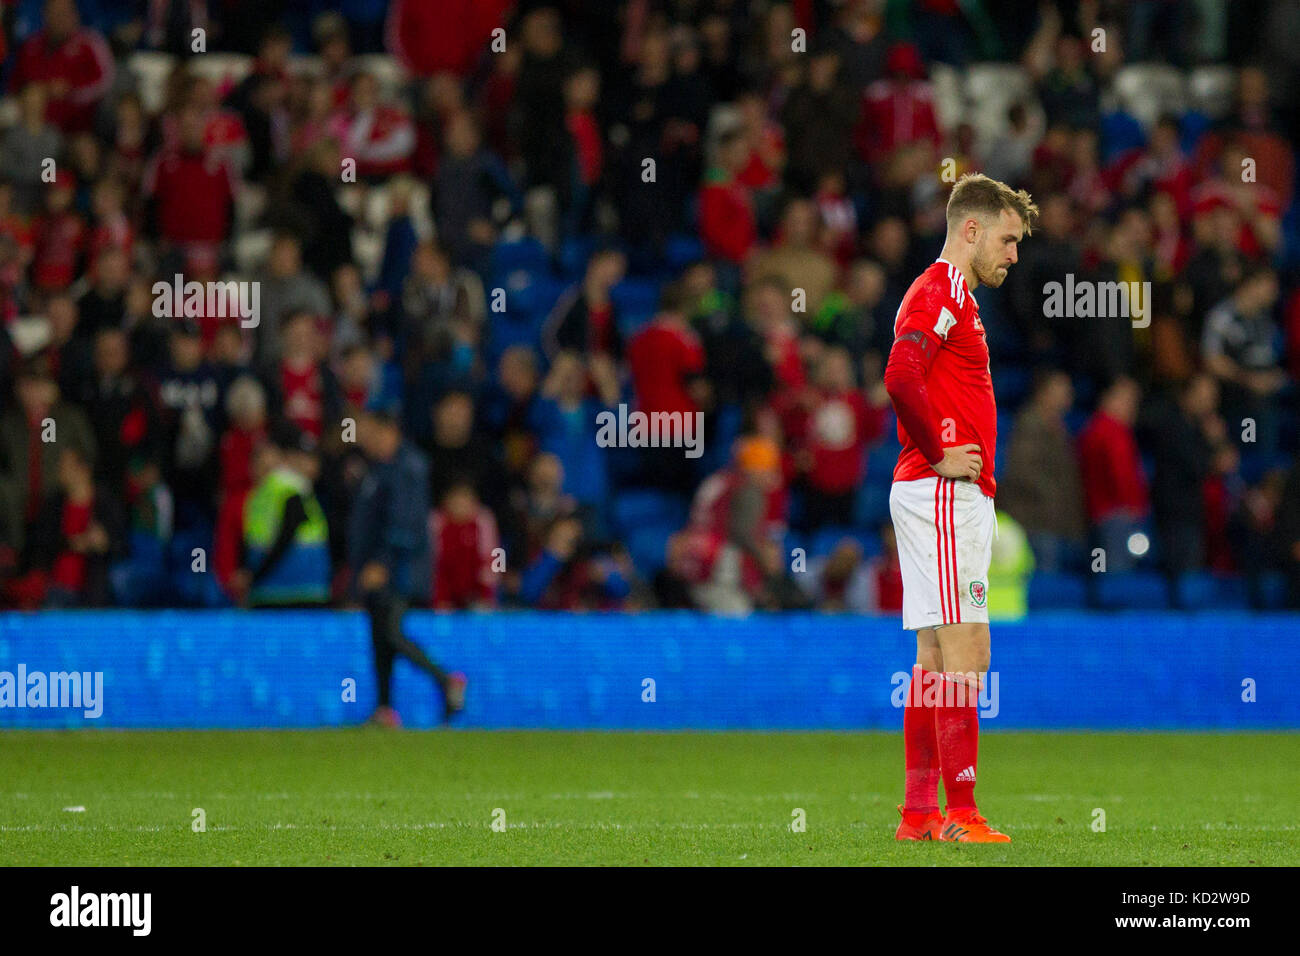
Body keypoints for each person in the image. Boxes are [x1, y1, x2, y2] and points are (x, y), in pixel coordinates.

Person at [883, 173, 1037, 843]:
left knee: (935, 661)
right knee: (967, 648)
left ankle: (920, 813)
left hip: (933, 492)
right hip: (942, 491)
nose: (1012, 255)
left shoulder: (948, 295)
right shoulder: (943, 290)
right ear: (970, 229)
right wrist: (941, 455)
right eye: (1007, 240)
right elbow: (899, 374)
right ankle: (963, 814)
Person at [350, 407, 466, 726]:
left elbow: (404, 524)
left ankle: (446, 680)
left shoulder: (407, 468)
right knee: (381, 637)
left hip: (399, 570)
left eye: (372, 433)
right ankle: (385, 708)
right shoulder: (379, 468)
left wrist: (381, 563)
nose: (366, 440)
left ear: (390, 432)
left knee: (390, 633)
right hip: (379, 568)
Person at [232, 424, 331, 609]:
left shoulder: (280, 488)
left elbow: (282, 535)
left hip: (287, 587)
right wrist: (250, 575)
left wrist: (252, 576)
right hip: (291, 588)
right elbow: (262, 538)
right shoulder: (276, 490)